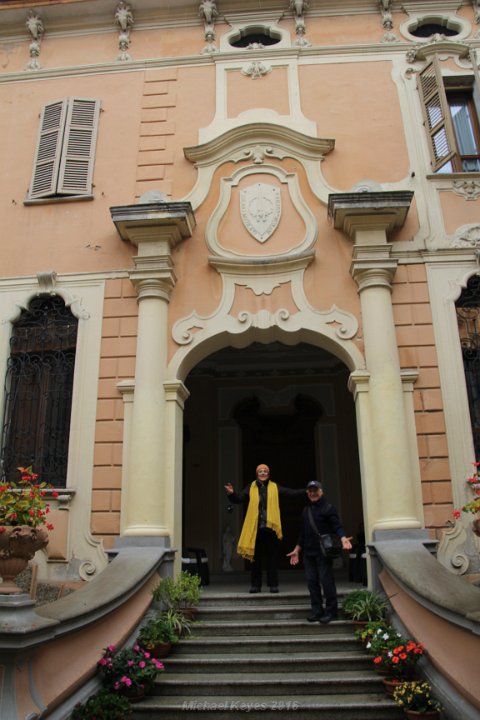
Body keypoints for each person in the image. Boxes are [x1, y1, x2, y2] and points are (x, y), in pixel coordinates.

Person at [224, 463, 304, 594]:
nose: (262, 473)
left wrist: (305, 491)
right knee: (255, 559)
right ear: (257, 474)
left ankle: (273, 585)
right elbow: (238, 499)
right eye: (260, 471)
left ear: (268, 474)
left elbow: (290, 493)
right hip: (256, 529)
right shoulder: (251, 487)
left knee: (272, 558)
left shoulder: (274, 487)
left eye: (265, 471)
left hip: (270, 528)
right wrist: (231, 494)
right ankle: (256, 585)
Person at [287, 480, 352, 623]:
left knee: (326, 581)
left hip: (323, 552)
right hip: (308, 553)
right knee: (312, 582)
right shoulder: (306, 510)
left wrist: (343, 538)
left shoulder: (328, 508)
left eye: (315, 490)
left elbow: (337, 526)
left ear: (321, 492)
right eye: (310, 491)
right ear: (307, 493)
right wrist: (297, 549)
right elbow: (303, 533)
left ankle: (331, 611)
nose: (312, 493)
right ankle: (317, 611)